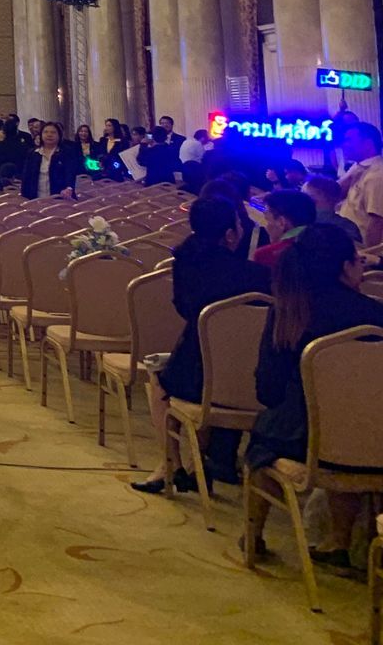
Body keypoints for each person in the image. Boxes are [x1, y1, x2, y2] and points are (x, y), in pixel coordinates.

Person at [244, 225, 383, 557]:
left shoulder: (290, 313)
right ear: (345, 266)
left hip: (308, 440)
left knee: (264, 439)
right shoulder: (375, 314)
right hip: (375, 438)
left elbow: (268, 390)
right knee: (346, 424)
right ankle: (339, 540)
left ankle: (254, 536)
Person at [132, 194, 269, 493]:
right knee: (190, 374)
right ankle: (195, 466)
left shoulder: (185, 264)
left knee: (160, 381)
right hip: (253, 380)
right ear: (229, 234)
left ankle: (170, 463)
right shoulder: (257, 276)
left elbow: (184, 309)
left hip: (199, 371)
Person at [338, 122, 383, 247]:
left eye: (349, 140)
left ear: (367, 144)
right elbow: (333, 194)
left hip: (360, 248)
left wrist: (367, 254)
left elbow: (377, 221)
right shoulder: (357, 167)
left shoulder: (378, 174)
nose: (344, 145)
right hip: (347, 240)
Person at [251, 189, 317, 270]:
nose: (266, 226)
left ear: (281, 222)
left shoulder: (267, 254)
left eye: (266, 219)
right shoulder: (327, 243)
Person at [22, 121, 82, 200]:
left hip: (60, 197)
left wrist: (69, 188)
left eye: (53, 132)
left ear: (59, 135)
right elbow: (26, 176)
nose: (49, 135)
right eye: (46, 132)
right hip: (36, 198)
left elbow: (70, 173)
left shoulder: (67, 152)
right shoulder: (33, 153)